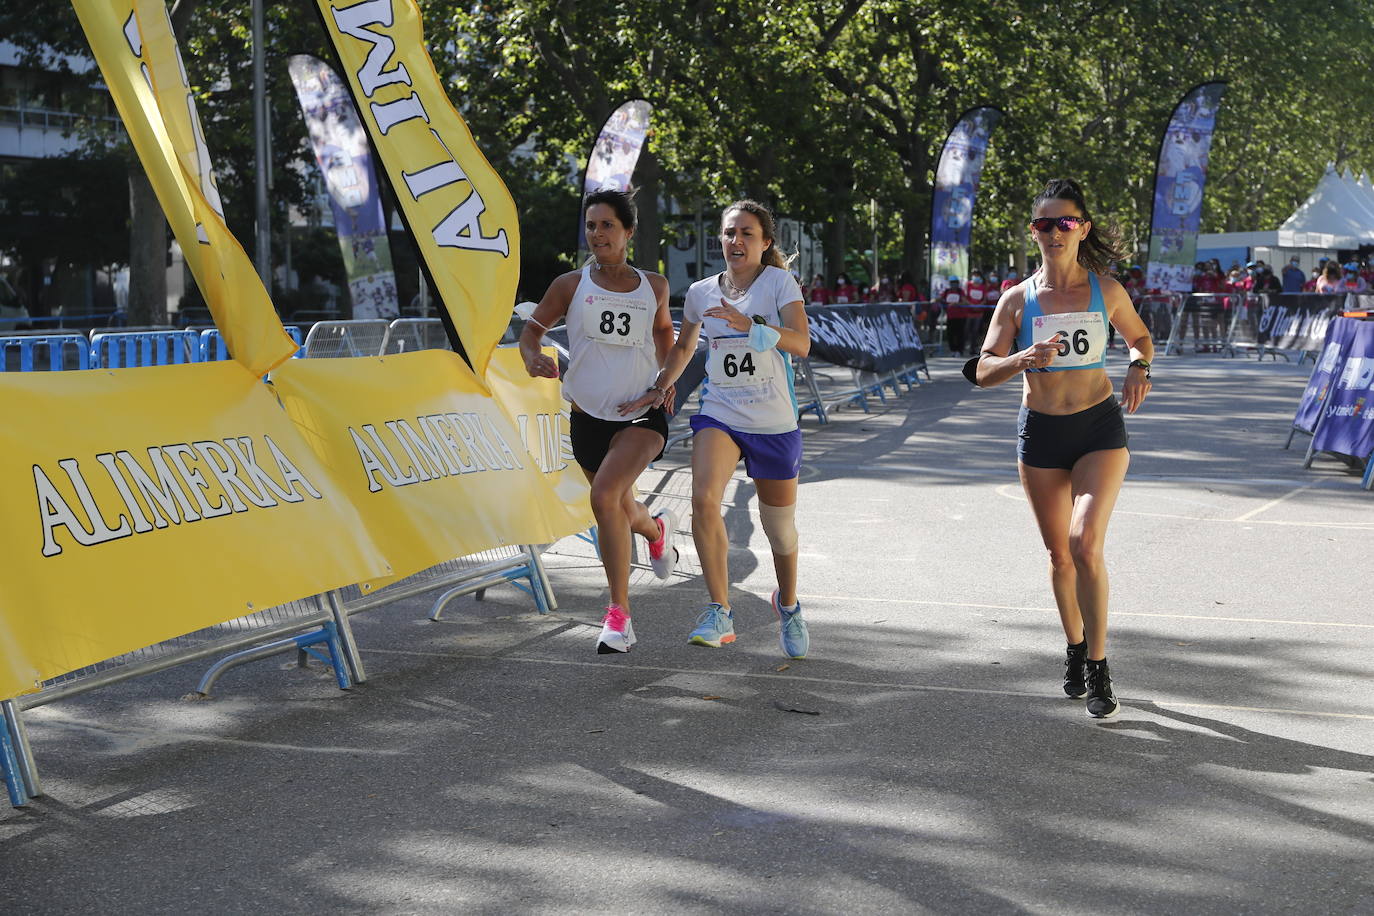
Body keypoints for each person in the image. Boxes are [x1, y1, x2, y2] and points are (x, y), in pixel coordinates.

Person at [965, 178, 1153, 719]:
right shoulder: (1017, 299)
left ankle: (1098, 666)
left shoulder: (1105, 289)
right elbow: (980, 370)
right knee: (1059, 555)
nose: (1052, 232)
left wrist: (1139, 366)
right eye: (1043, 223)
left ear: (1082, 229)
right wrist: (1022, 359)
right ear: (1033, 231)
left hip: (1098, 429)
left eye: (1064, 222)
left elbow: (1141, 338)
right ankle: (1073, 646)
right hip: (1042, 434)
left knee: (1084, 543)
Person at [640, 199, 812, 658]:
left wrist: (754, 325)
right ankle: (720, 609)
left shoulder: (778, 282)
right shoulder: (700, 292)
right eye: (729, 233)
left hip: (774, 422)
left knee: (780, 532)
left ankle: (789, 604)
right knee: (702, 499)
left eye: (747, 234)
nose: (736, 241)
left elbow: (802, 343)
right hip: (721, 412)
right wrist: (661, 386)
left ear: (765, 243)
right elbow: (683, 349)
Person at [519, 188, 678, 655]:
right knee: (620, 508)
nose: (597, 234)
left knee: (604, 496)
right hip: (587, 418)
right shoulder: (570, 285)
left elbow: (665, 333)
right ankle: (656, 531)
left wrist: (664, 382)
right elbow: (533, 330)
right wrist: (532, 357)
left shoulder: (655, 286)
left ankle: (618, 615)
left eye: (607, 225)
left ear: (628, 231)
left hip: (641, 416)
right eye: (591, 226)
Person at [942, 275, 969, 355]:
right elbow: (941, 298)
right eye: (952, 283)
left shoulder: (960, 292)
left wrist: (956, 304)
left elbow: (965, 302)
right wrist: (935, 300)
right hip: (950, 316)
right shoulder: (947, 291)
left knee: (959, 334)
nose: (954, 284)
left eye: (955, 282)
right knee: (950, 334)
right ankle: (952, 350)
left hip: (960, 317)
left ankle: (959, 350)